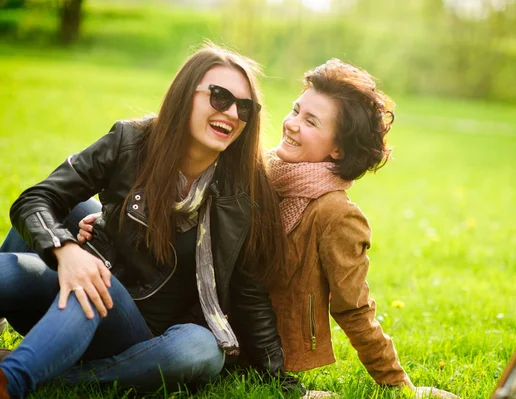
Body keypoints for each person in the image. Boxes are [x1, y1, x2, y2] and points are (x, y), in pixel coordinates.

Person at [73, 59, 459, 398]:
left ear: (338, 149)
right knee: (69, 206)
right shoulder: (255, 169)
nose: (290, 125)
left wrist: (396, 384)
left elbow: (355, 308)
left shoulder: (336, 215)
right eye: (295, 110)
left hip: (235, 334)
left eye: (310, 121)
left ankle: (68, 373)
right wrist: (112, 225)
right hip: (176, 295)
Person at [0, 43, 298, 399]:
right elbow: (35, 199)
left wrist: (281, 382)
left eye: (244, 107)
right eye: (219, 97)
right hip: (83, 290)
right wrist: (66, 251)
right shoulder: (130, 141)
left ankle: (17, 379)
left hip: (144, 334)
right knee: (28, 257)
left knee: (201, 347)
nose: (232, 112)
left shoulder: (246, 191)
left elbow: (250, 294)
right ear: (186, 95)